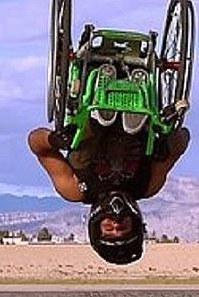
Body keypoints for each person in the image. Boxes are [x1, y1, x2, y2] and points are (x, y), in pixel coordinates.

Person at [28, 110, 190, 264]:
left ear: (96, 226)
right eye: (122, 227)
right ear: (135, 222)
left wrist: (54, 140)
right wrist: (167, 145)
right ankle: (131, 115)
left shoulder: (74, 189)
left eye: (108, 228)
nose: (116, 221)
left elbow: (36, 145)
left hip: (89, 122)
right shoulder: (147, 185)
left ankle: (100, 115)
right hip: (141, 125)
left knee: (80, 159)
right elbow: (183, 139)